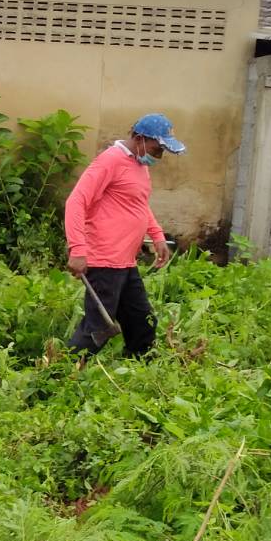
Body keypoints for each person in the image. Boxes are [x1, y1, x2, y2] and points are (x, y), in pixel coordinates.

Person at [64, 113, 181, 358]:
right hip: (105, 260)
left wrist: (157, 235)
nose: (158, 156)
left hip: (125, 262)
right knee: (99, 329)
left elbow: (138, 204)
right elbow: (76, 201)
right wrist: (78, 249)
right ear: (139, 139)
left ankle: (142, 371)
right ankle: (57, 375)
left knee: (142, 323)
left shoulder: (139, 165)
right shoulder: (110, 161)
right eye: (157, 149)